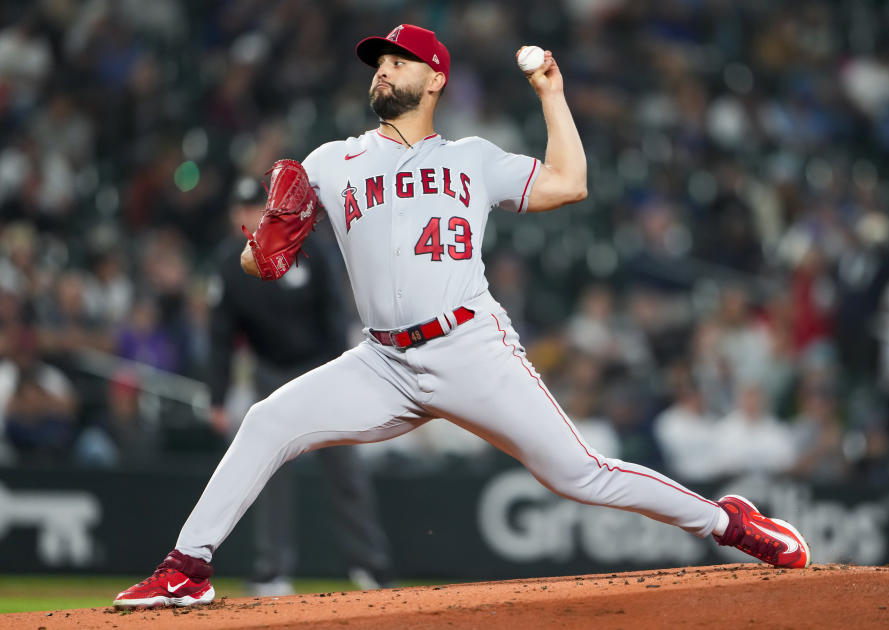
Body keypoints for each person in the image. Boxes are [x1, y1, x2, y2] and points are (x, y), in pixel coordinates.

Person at [113, 24, 810, 609]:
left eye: (396, 61)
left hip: (469, 346)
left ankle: (730, 522)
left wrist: (553, 95)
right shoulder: (332, 161)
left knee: (581, 475)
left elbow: (571, 184)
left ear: (436, 78)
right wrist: (258, 249)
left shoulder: (472, 159)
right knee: (267, 420)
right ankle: (187, 569)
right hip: (383, 360)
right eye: (378, 64)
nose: (382, 71)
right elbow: (259, 259)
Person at [207, 176, 395, 594]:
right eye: (241, 209)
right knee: (268, 474)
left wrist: (343, 375)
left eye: (256, 206)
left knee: (346, 471)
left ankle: (371, 566)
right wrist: (217, 398)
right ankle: (273, 570)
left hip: (321, 369)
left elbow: (335, 313)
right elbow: (220, 336)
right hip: (270, 374)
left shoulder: (308, 248)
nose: (248, 216)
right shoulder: (228, 264)